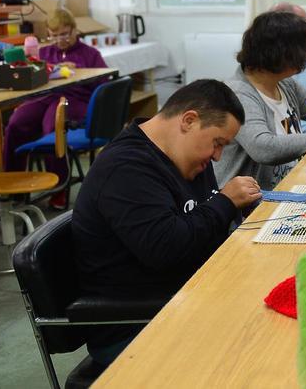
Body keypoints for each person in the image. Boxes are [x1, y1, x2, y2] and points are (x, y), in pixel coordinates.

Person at [72, 79, 262, 366]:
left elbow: (203, 223)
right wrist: (225, 203)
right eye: (218, 143)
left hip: (185, 300)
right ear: (188, 120)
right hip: (138, 326)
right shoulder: (126, 168)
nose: (218, 156)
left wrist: (236, 212)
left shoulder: (187, 159)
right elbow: (167, 248)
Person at [213, 6, 306, 190]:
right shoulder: (238, 94)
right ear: (281, 54)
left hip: (289, 187)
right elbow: (264, 148)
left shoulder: (285, 85)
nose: (305, 58)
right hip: (254, 205)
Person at [3, 8, 108, 207]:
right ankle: (13, 185)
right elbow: (33, 78)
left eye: (64, 34)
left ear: (75, 30)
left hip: (76, 99)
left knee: (52, 127)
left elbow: (103, 86)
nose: (60, 39)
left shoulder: (90, 54)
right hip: (45, 97)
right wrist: (51, 70)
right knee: (16, 124)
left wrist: (79, 74)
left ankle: (59, 187)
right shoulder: (44, 53)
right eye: (54, 35)